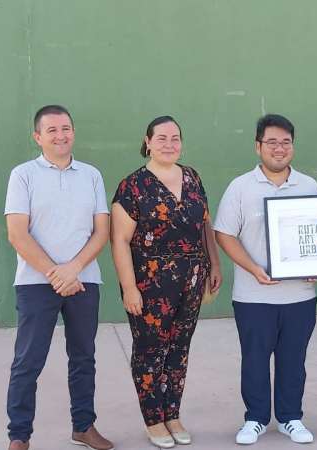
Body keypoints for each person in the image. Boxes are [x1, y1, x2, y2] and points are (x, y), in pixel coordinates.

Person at [4, 105, 114, 450]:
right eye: (51, 130)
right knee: (28, 361)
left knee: (83, 357)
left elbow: (101, 231)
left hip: (84, 281)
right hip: (36, 283)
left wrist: (74, 269)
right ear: (38, 137)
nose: (60, 135)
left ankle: (84, 426)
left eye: (65, 128)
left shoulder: (91, 175)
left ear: (73, 132)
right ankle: (19, 436)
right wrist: (57, 274)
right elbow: (17, 234)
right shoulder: (23, 175)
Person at [110, 116, 222, 449]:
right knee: (149, 352)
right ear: (147, 142)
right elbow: (119, 240)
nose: (169, 144)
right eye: (161, 138)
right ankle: (153, 419)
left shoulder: (193, 177)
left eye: (175, 138)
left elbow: (205, 224)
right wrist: (129, 287)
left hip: (192, 279)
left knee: (179, 350)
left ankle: (172, 413)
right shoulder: (132, 186)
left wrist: (214, 263)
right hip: (149, 286)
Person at [214, 114, 317, 445]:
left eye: (286, 142)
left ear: (293, 146)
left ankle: (291, 418)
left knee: (294, 361)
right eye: (271, 142)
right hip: (253, 296)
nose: (279, 148)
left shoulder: (309, 186)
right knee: (255, 361)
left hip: (300, 296)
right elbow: (224, 234)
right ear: (258, 146)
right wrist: (252, 268)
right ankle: (256, 419)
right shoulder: (240, 187)